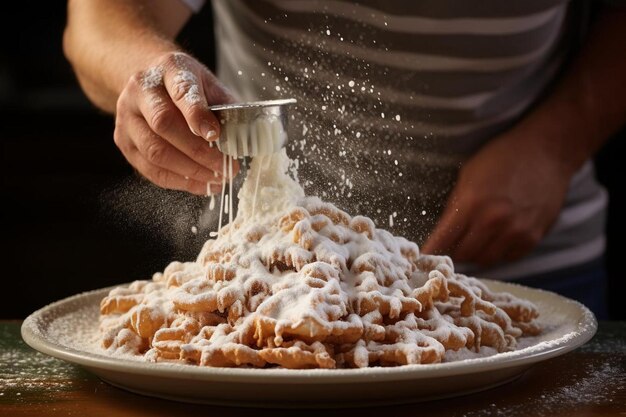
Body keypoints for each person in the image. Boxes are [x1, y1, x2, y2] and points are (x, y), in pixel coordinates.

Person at [63, 0, 626, 319]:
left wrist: (557, 143)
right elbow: (100, 21)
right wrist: (150, 70)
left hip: (531, 272)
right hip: (261, 286)